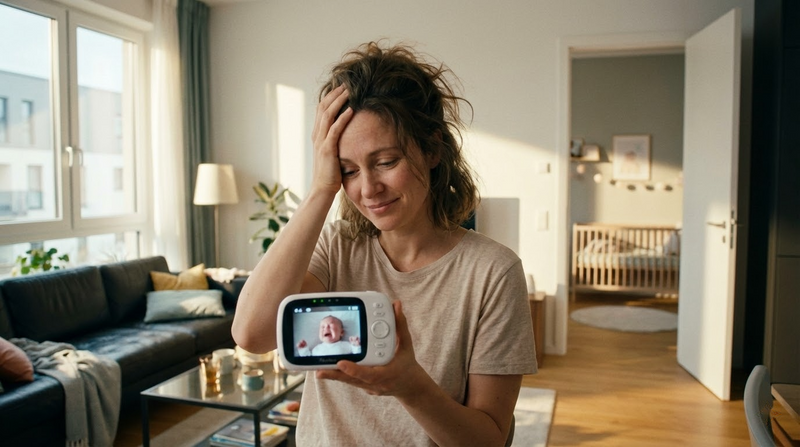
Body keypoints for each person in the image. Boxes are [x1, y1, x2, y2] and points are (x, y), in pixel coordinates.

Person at [232, 41, 537, 446]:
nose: (369, 189)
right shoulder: (338, 246)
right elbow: (252, 334)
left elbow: (489, 440)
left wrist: (410, 386)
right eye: (348, 170)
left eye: (386, 161)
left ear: (432, 148)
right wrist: (322, 188)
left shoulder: (492, 272)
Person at [296, 315, 361, 356]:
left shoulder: (347, 345)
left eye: (330, 326)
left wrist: (355, 345)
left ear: (341, 332)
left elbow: (358, 355)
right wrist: (303, 349)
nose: (326, 328)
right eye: (323, 327)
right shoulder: (316, 349)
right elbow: (308, 360)